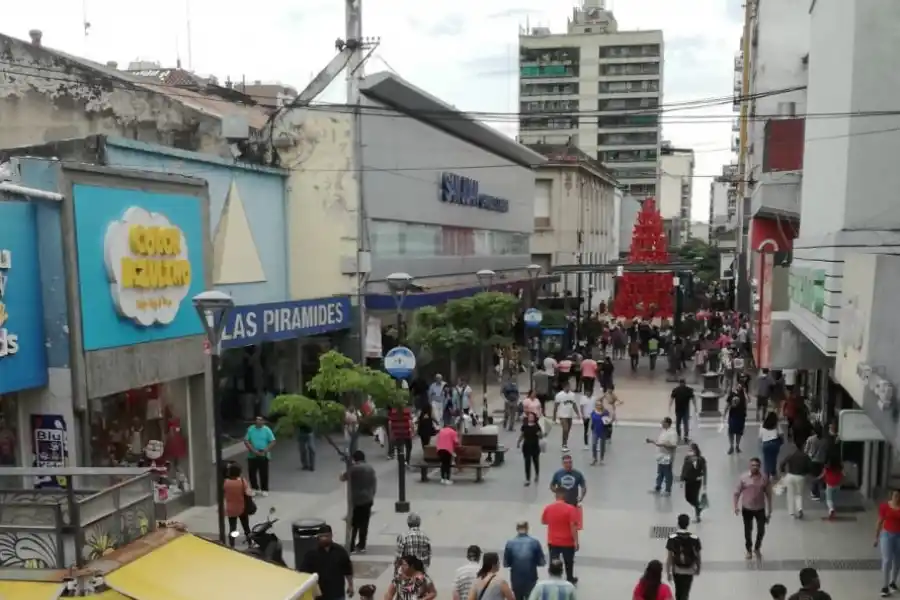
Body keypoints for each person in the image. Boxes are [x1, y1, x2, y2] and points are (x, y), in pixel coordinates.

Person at [299, 524, 354, 600]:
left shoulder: (340, 551)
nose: (324, 538)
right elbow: (304, 573)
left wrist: (350, 585)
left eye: (326, 536)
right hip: (320, 595)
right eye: (321, 536)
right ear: (318, 537)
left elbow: (348, 570)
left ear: (331, 536)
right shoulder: (311, 553)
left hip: (337, 593)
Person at [733, 457, 772, 559]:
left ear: (760, 466)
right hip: (747, 508)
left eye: (757, 465)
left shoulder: (764, 478)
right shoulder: (743, 477)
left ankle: (757, 547)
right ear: (749, 466)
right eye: (753, 465)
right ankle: (749, 550)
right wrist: (735, 506)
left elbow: (768, 494)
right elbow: (737, 492)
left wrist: (769, 509)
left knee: (761, 530)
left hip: (760, 508)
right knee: (748, 530)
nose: (755, 467)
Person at [339, 450, 377, 554]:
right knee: (364, 523)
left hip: (357, 499)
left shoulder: (353, 469)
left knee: (354, 524)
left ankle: (351, 546)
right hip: (368, 498)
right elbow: (374, 484)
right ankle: (362, 545)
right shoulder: (371, 468)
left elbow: (342, 478)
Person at [541, 489, 580, 584]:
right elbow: (573, 526)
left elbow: (544, 521)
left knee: (553, 560)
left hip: (553, 540)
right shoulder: (571, 509)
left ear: (556, 496)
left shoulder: (548, 508)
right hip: (567, 541)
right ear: (564, 496)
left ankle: (553, 578)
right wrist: (576, 541)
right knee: (568, 562)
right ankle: (570, 578)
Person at [503, 521, 546, 600]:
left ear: (517, 529)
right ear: (527, 528)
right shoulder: (535, 542)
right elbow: (542, 562)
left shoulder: (510, 543)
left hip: (516, 579)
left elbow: (506, 564)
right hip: (531, 578)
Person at [665, 514, 701, 600]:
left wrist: (668, 572)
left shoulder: (672, 538)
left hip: (677, 570)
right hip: (689, 570)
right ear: (688, 524)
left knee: (678, 591)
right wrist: (698, 568)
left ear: (678, 523)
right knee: (685, 592)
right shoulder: (694, 538)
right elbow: (698, 556)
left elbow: (669, 557)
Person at [876, 489, 900, 597]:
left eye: (899, 496)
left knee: (897, 561)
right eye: (895, 495)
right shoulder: (884, 506)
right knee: (887, 560)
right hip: (886, 535)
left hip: (899, 536)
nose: (897, 498)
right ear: (891, 496)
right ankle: (885, 586)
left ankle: (893, 582)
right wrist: (876, 537)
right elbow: (880, 521)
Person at [244, 415, 275, 496]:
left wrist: (265, 450)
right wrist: (253, 450)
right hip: (252, 454)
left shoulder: (267, 430)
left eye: (260, 420)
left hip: (263, 454)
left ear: (263, 421)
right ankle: (254, 488)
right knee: (252, 472)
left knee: (264, 473)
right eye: (257, 420)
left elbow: (272, 441)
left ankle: (264, 489)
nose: (258, 421)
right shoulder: (251, 429)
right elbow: (246, 441)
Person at [779, 442, 811, 519]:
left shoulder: (791, 455)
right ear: (803, 446)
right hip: (800, 477)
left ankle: (792, 513)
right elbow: (809, 467)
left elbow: (782, 463)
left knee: (790, 494)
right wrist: (806, 473)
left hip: (790, 476)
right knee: (798, 494)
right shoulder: (805, 456)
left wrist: (783, 472)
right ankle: (799, 508)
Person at [647, 417, 679, 496]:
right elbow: (659, 442)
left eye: (663, 422)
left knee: (667, 473)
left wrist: (664, 444)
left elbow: (673, 445)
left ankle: (668, 490)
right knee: (660, 473)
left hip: (667, 456)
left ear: (667, 423)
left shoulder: (672, 433)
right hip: (661, 456)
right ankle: (658, 487)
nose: (661, 423)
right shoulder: (663, 431)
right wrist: (652, 441)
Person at [223, 463, 251, 548]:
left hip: (231, 508)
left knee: (232, 527)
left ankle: (232, 544)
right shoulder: (242, 481)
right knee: (246, 527)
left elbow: (224, 493)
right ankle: (250, 542)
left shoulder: (226, 482)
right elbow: (248, 493)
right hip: (242, 508)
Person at [680, 443, 707, 522]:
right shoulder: (687, 459)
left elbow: (705, 471)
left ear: (695, 450)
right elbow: (684, 469)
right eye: (689, 450)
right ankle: (698, 507)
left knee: (695, 497)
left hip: (696, 481)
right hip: (688, 480)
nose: (689, 452)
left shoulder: (701, 459)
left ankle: (697, 516)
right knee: (688, 497)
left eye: (691, 450)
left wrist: (705, 483)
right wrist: (682, 479)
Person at [518, 411, 543, 487]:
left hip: (535, 446)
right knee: (527, 463)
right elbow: (522, 435)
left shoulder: (537, 426)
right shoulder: (524, 426)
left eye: (532, 416)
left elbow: (541, 436)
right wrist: (518, 442)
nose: (531, 418)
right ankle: (527, 479)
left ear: (534, 418)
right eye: (529, 416)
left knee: (535, 462)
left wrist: (539, 434)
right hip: (526, 446)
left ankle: (537, 474)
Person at [669, 380, 697, 444]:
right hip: (685, 410)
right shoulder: (688, 390)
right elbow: (693, 398)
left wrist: (670, 406)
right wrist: (695, 407)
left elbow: (672, 398)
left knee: (678, 424)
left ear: (680, 383)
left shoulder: (676, 390)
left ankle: (679, 436)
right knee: (685, 423)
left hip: (679, 409)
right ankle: (685, 437)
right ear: (684, 383)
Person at [552, 382, 578, 452]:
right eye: (567, 386)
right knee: (565, 429)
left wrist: (578, 413)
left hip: (570, 415)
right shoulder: (559, 395)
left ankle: (565, 442)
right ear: (564, 387)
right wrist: (554, 416)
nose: (568, 388)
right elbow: (555, 406)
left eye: (569, 386)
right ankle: (564, 444)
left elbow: (574, 405)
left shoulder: (572, 395)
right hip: (562, 415)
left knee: (568, 431)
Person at [723, 390, 748, 455]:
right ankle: (731, 446)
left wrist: (745, 393)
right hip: (733, 416)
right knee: (731, 432)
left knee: (739, 432)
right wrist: (724, 414)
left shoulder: (744, 394)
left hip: (741, 416)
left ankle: (737, 446)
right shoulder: (732, 394)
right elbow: (727, 404)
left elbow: (747, 402)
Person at [589, 398, 612, 466]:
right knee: (594, 444)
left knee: (602, 446)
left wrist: (610, 420)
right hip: (595, 431)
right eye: (597, 405)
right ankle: (594, 458)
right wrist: (588, 431)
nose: (598, 406)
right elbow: (591, 422)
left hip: (603, 431)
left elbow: (608, 422)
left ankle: (601, 459)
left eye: (600, 405)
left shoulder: (605, 412)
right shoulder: (593, 412)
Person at [759, 412, 782, 478]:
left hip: (765, 444)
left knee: (766, 460)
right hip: (774, 443)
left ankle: (766, 475)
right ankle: (773, 473)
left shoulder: (762, 425)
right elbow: (781, 434)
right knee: (773, 459)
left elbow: (760, 437)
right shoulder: (776, 425)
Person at [436, 421, 460, 485]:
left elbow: (438, 439)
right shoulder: (453, 432)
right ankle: (447, 479)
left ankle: (442, 478)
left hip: (439, 449)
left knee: (443, 464)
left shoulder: (441, 431)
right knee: (447, 465)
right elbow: (456, 442)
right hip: (447, 450)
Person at [820, 453, 843, 519]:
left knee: (829, 499)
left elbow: (823, 475)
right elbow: (843, 474)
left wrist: (818, 479)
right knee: (834, 498)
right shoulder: (839, 467)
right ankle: (833, 508)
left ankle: (831, 510)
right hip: (837, 484)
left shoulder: (827, 467)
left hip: (830, 484)